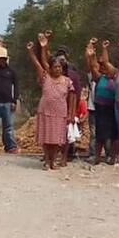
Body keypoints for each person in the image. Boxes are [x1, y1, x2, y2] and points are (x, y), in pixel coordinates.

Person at [28, 34, 76, 171]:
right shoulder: (45, 77)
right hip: (45, 111)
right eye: (55, 67)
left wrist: (71, 114)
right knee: (46, 138)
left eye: (59, 67)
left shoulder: (67, 81)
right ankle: (46, 160)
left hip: (60, 113)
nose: (57, 69)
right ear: (51, 68)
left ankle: (53, 161)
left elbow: (72, 96)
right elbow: (39, 62)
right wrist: (35, 50)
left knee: (56, 140)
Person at [85, 38, 117, 165]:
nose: (106, 69)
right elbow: (93, 66)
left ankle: (112, 156)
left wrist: (104, 49)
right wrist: (92, 55)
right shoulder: (100, 78)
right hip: (100, 109)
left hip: (112, 109)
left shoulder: (116, 78)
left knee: (113, 135)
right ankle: (97, 157)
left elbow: (106, 61)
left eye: (108, 68)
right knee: (99, 135)